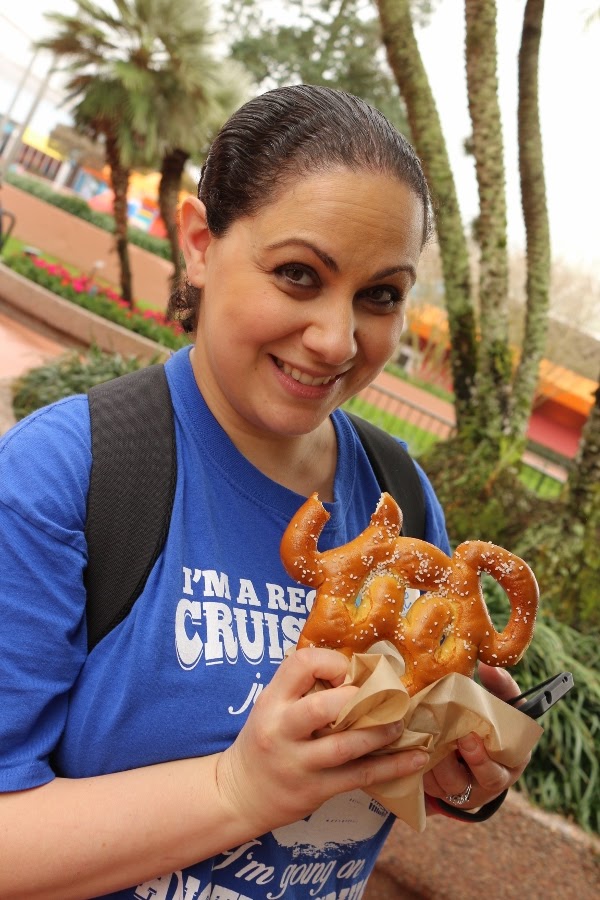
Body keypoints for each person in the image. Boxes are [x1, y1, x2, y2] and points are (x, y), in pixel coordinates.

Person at [0, 85, 530, 900]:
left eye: (380, 294)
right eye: (297, 274)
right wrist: (239, 790)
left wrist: (459, 767)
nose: (336, 337)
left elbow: (399, 759)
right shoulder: (70, 474)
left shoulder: (400, 495)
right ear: (201, 243)